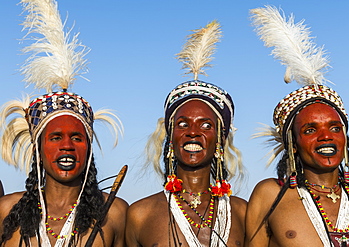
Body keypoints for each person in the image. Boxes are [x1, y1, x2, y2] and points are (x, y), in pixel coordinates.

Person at [0, 0, 127, 246]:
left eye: (77, 138)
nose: (67, 146)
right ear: (38, 148)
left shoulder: (115, 214)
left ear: (89, 149)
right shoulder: (5, 210)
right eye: (56, 137)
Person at [246, 6, 349, 247]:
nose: (326, 136)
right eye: (310, 130)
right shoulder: (270, 195)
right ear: (292, 143)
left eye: (335, 128)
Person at [126, 21, 247, 246]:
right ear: (170, 137)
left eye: (205, 125)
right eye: (183, 124)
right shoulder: (140, 215)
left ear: (220, 139)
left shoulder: (242, 213)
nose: (193, 132)